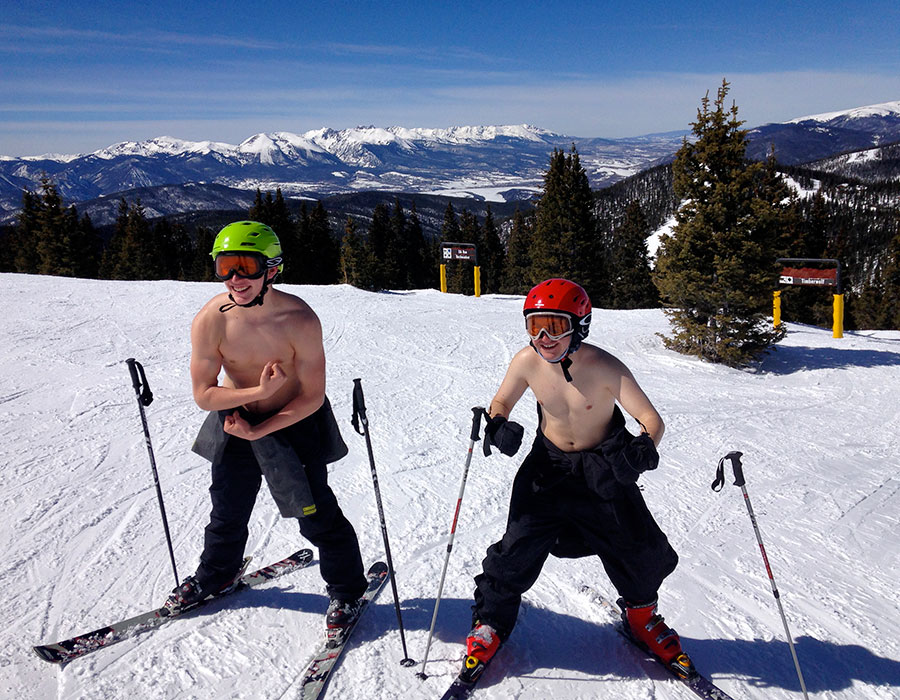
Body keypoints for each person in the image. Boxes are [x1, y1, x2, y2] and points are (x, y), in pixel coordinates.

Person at [463, 278, 692, 679]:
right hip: (547, 468)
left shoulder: (605, 367)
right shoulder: (527, 362)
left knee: (638, 547)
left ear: (580, 324)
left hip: (602, 468)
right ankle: (490, 622)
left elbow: (652, 420)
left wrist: (642, 447)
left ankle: (642, 619)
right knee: (516, 547)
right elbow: (501, 401)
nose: (544, 337)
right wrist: (498, 423)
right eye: (535, 326)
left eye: (555, 325)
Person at [164, 220, 367, 635]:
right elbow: (204, 394)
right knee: (227, 509)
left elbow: (311, 395)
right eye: (225, 267)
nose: (235, 279)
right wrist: (253, 394)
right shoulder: (211, 320)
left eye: (246, 267)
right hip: (236, 423)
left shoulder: (299, 320)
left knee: (314, 513)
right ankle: (217, 574)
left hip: (295, 423)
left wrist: (264, 425)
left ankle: (346, 588)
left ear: (271, 269)